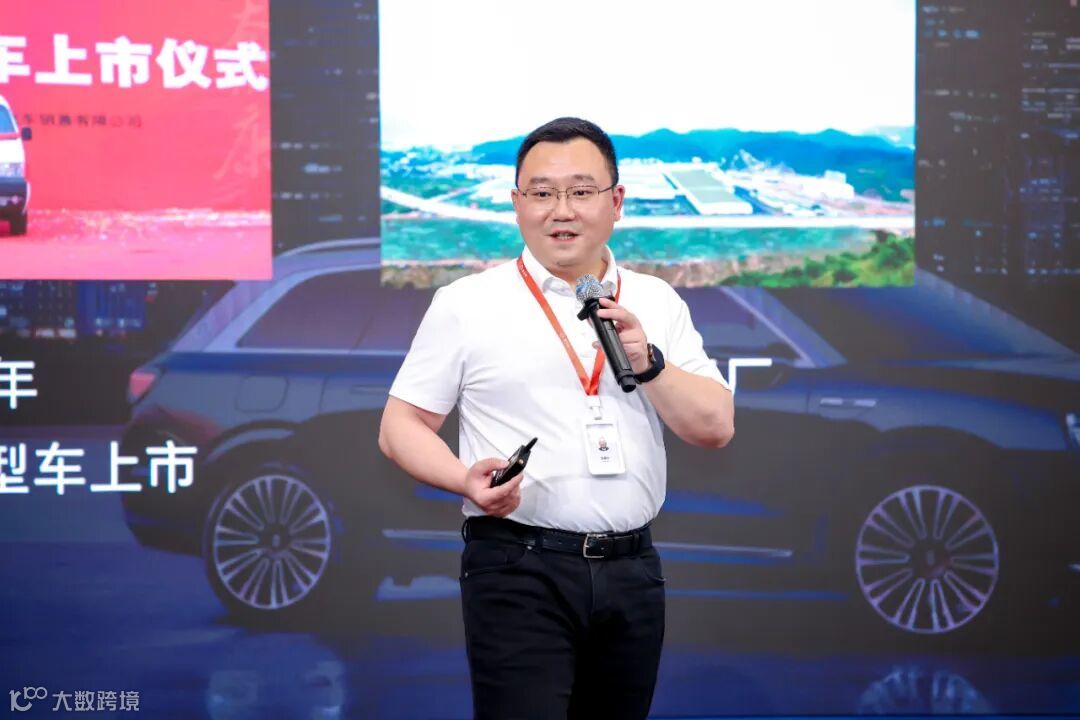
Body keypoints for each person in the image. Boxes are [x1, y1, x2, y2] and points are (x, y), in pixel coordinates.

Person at [378, 116, 734, 720]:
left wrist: (649, 364)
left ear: (616, 202)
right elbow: (400, 426)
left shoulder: (656, 300)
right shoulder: (467, 303)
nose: (561, 210)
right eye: (542, 193)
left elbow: (714, 426)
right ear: (517, 203)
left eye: (581, 191)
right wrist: (464, 479)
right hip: (518, 565)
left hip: (632, 570)